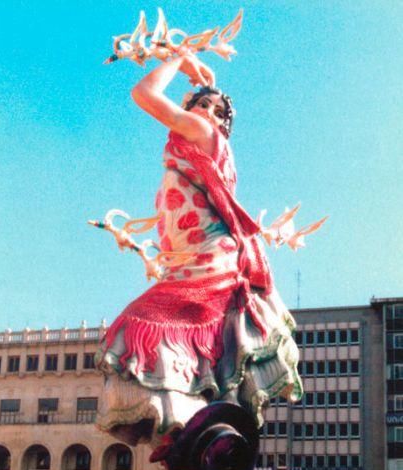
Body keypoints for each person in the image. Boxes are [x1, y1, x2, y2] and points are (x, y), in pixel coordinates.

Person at [97, 51, 302, 449]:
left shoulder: (202, 134)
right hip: (193, 262)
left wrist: (179, 58)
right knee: (197, 347)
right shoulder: (191, 146)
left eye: (218, 109)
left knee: (146, 326)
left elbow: (144, 93)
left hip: (207, 259)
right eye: (201, 103)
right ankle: (187, 432)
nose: (209, 110)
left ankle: (186, 429)